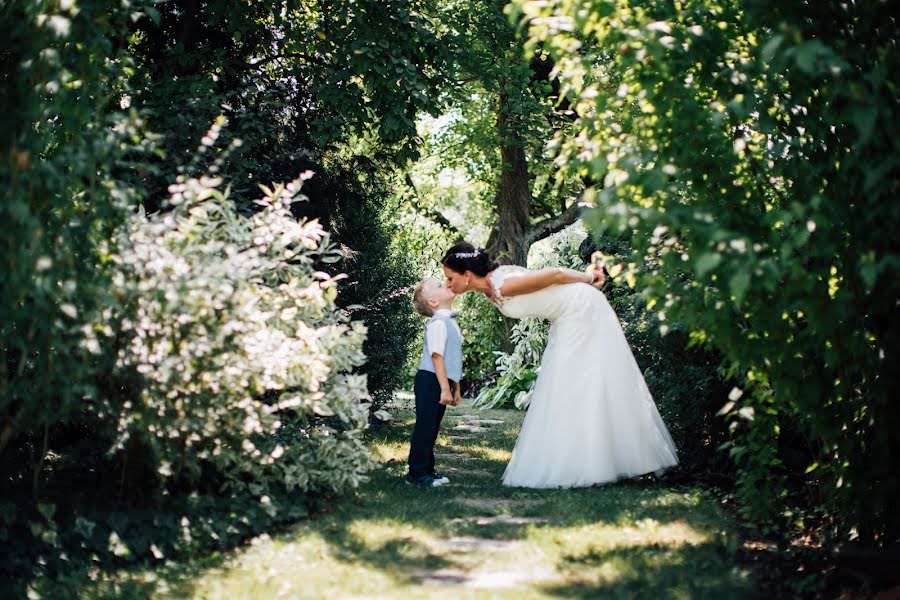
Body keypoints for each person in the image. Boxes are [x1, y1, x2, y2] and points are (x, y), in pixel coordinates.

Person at [441, 241, 678, 488]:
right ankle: (590, 462)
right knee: (570, 384)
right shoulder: (491, 287)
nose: (448, 284)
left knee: (576, 383)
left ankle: (591, 465)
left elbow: (555, 274)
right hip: (566, 316)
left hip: (581, 309)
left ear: (467, 275)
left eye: (449, 278)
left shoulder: (504, 283)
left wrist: (590, 278)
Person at [405, 277, 463, 487]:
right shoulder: (438, 323)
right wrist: (444, 389)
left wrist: (456, 388)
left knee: (432, 427)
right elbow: (437, 357)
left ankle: (427, 469)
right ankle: (417, 473)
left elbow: (452, 359)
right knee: (425, 426)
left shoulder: (449, 322)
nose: (446, 284)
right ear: (433, 302)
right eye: (439, 285)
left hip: (441, 380)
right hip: (430, 380)